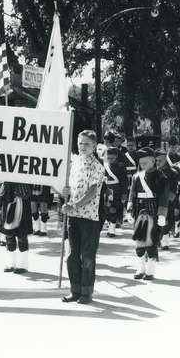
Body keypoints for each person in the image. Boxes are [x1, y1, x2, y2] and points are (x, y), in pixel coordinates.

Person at [61, 130, 106, 304]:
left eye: (87, 144)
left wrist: (74, 204)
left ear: (94, 146)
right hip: (73, 216)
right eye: (80, 143)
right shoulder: (75, 163)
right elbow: (69, 187)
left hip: (90, 217)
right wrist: (64, 192)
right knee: (72, 255)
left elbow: (92, 192)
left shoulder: (98, 166)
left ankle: (87, 292)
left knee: (87, 256)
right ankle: (75, 290)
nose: (83, 147)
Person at [128, 148, 171, 281]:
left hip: (153, 210)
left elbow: (164, 197)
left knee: (152, 241)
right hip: (139, 210)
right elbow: (132, 195)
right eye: (141, 163)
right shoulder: (136, 176)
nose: (142, 165)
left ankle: (150, 271)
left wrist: (162, 215)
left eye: (145, 163)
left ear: (153, 161)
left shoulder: (161, 177)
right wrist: (129, 210)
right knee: (139, 241)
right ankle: (140, 269)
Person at [0, 181, 33, 273]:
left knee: (21, 235)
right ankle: (11, 263)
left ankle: (23, 265)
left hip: (22, 199)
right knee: (9, 235)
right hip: (7, 198)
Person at [102, 147, 129, 238]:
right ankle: (110, 223)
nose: (110, 160)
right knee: (107, 209)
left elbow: (124, 181)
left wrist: (124, 194)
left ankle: (112, 229)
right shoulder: (104, 165)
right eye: (108, 158)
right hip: (106, 190)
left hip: (116, 190)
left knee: (113, 209)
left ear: (116, 156)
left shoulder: (120, 166)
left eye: (112, 158)